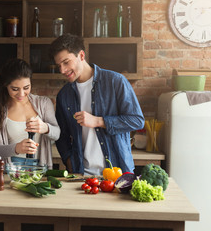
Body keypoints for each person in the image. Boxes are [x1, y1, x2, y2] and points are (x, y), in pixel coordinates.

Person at [49, 33, 144, 175]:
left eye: (66, 62)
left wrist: (99, 121)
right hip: (82, 174)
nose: (62, 70)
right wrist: (69, 161)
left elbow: (137, 121)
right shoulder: (64, 95)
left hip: (117, 172)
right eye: (59, 66)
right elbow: (61, 136)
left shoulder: (115, 81)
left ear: (81, 56)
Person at [0, 58, 60, 169]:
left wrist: (45, 127)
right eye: (15, 89)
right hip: (13, 167)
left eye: (26, 88)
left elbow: (57, 134)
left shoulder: (44, 103)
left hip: (40, 166)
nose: (21, 94)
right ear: (5, 85)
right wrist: (17, 148)